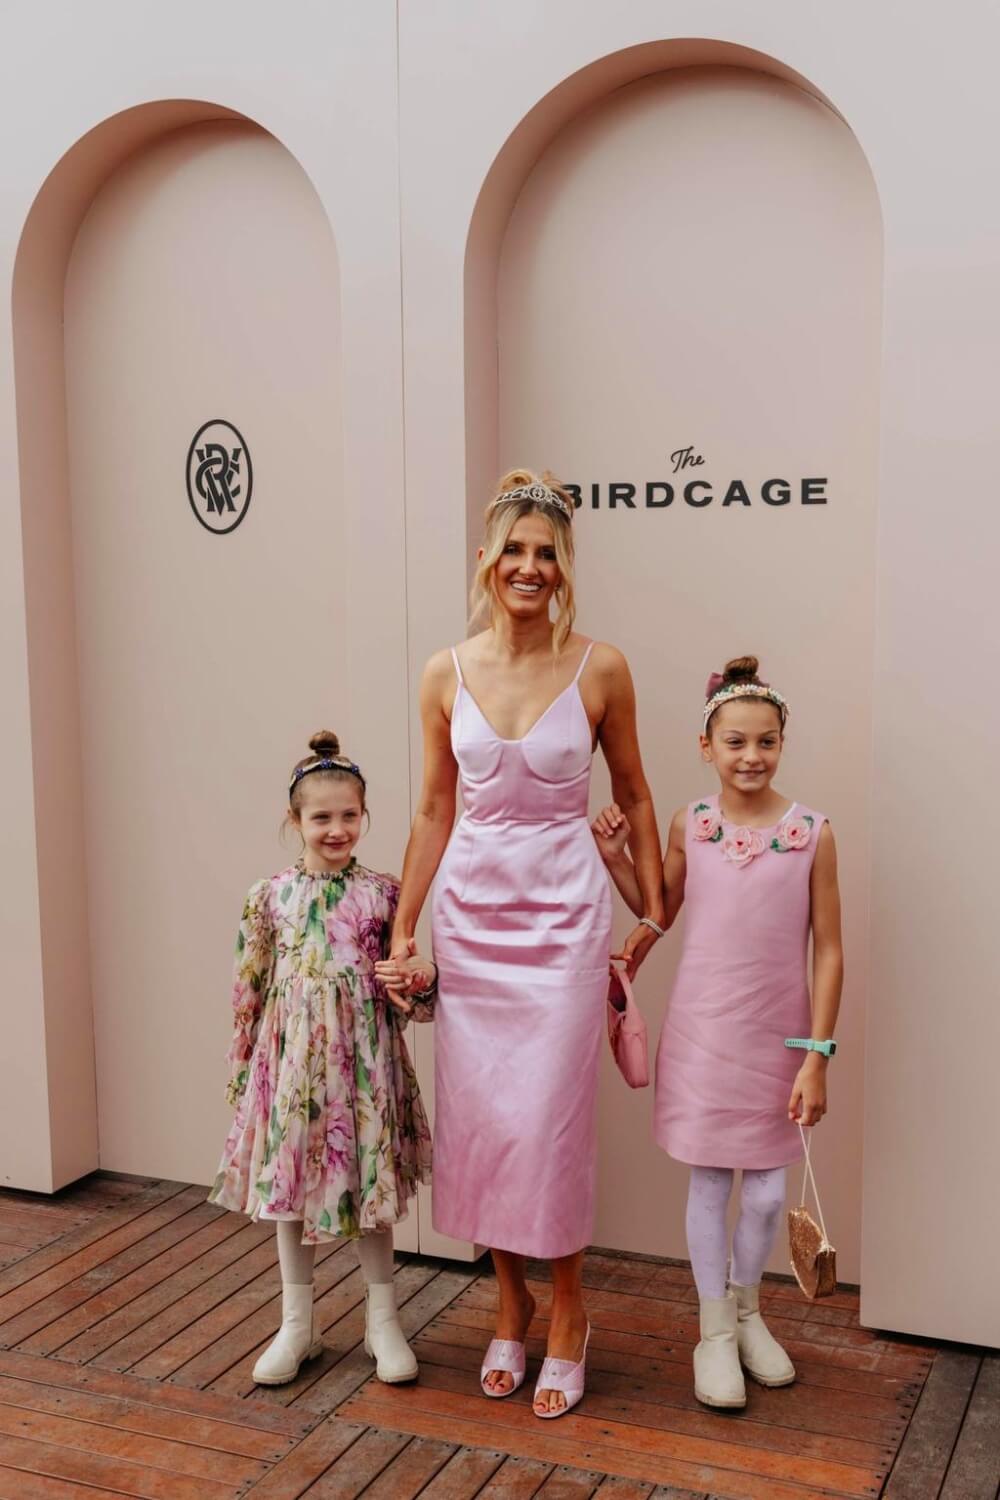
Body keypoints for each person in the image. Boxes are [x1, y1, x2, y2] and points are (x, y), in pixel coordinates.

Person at [375, 469, 665, 1419]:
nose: (530, 567)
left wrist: (653, 909)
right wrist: (406, 927)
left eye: (547, 553)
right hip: (472, 921)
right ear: (487, 562)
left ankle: (572, 1308)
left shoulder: (603, 667)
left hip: (565, 921)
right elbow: (431, 809)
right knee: (487, 1125)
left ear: (564, 566)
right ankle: (512, 1299)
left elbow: (634, 789)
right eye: (515, 551)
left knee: (550, 1123)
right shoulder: (442, 671)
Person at [592, 656, 843, 1410]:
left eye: (766, 742)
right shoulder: (690, 825)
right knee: (709, 1182)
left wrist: (819, 1057)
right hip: (705, 1031)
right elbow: (659, 910)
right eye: (735, 742)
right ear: (708, 747)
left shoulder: (811, 834)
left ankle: (747, 1310)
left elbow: (827, 949)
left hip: (781, 1042)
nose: (751, 756)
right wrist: (616, 862)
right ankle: (712, 1331)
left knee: (766, 1195)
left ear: (782, 743)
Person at [209, 731, 433, 1387]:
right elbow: (247, 987)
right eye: (321, 816)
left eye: (348, 815)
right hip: (294, 1071)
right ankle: (298, 1325)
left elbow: (410, 990)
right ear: (295, 820)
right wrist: (246, 1068)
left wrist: (416, 982)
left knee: (371, 1193)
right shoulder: (270, 896)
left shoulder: (385, 894)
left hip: (363, 1070)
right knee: (290, 1194)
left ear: (364, 816)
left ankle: (382, 1321)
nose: (336, 829)